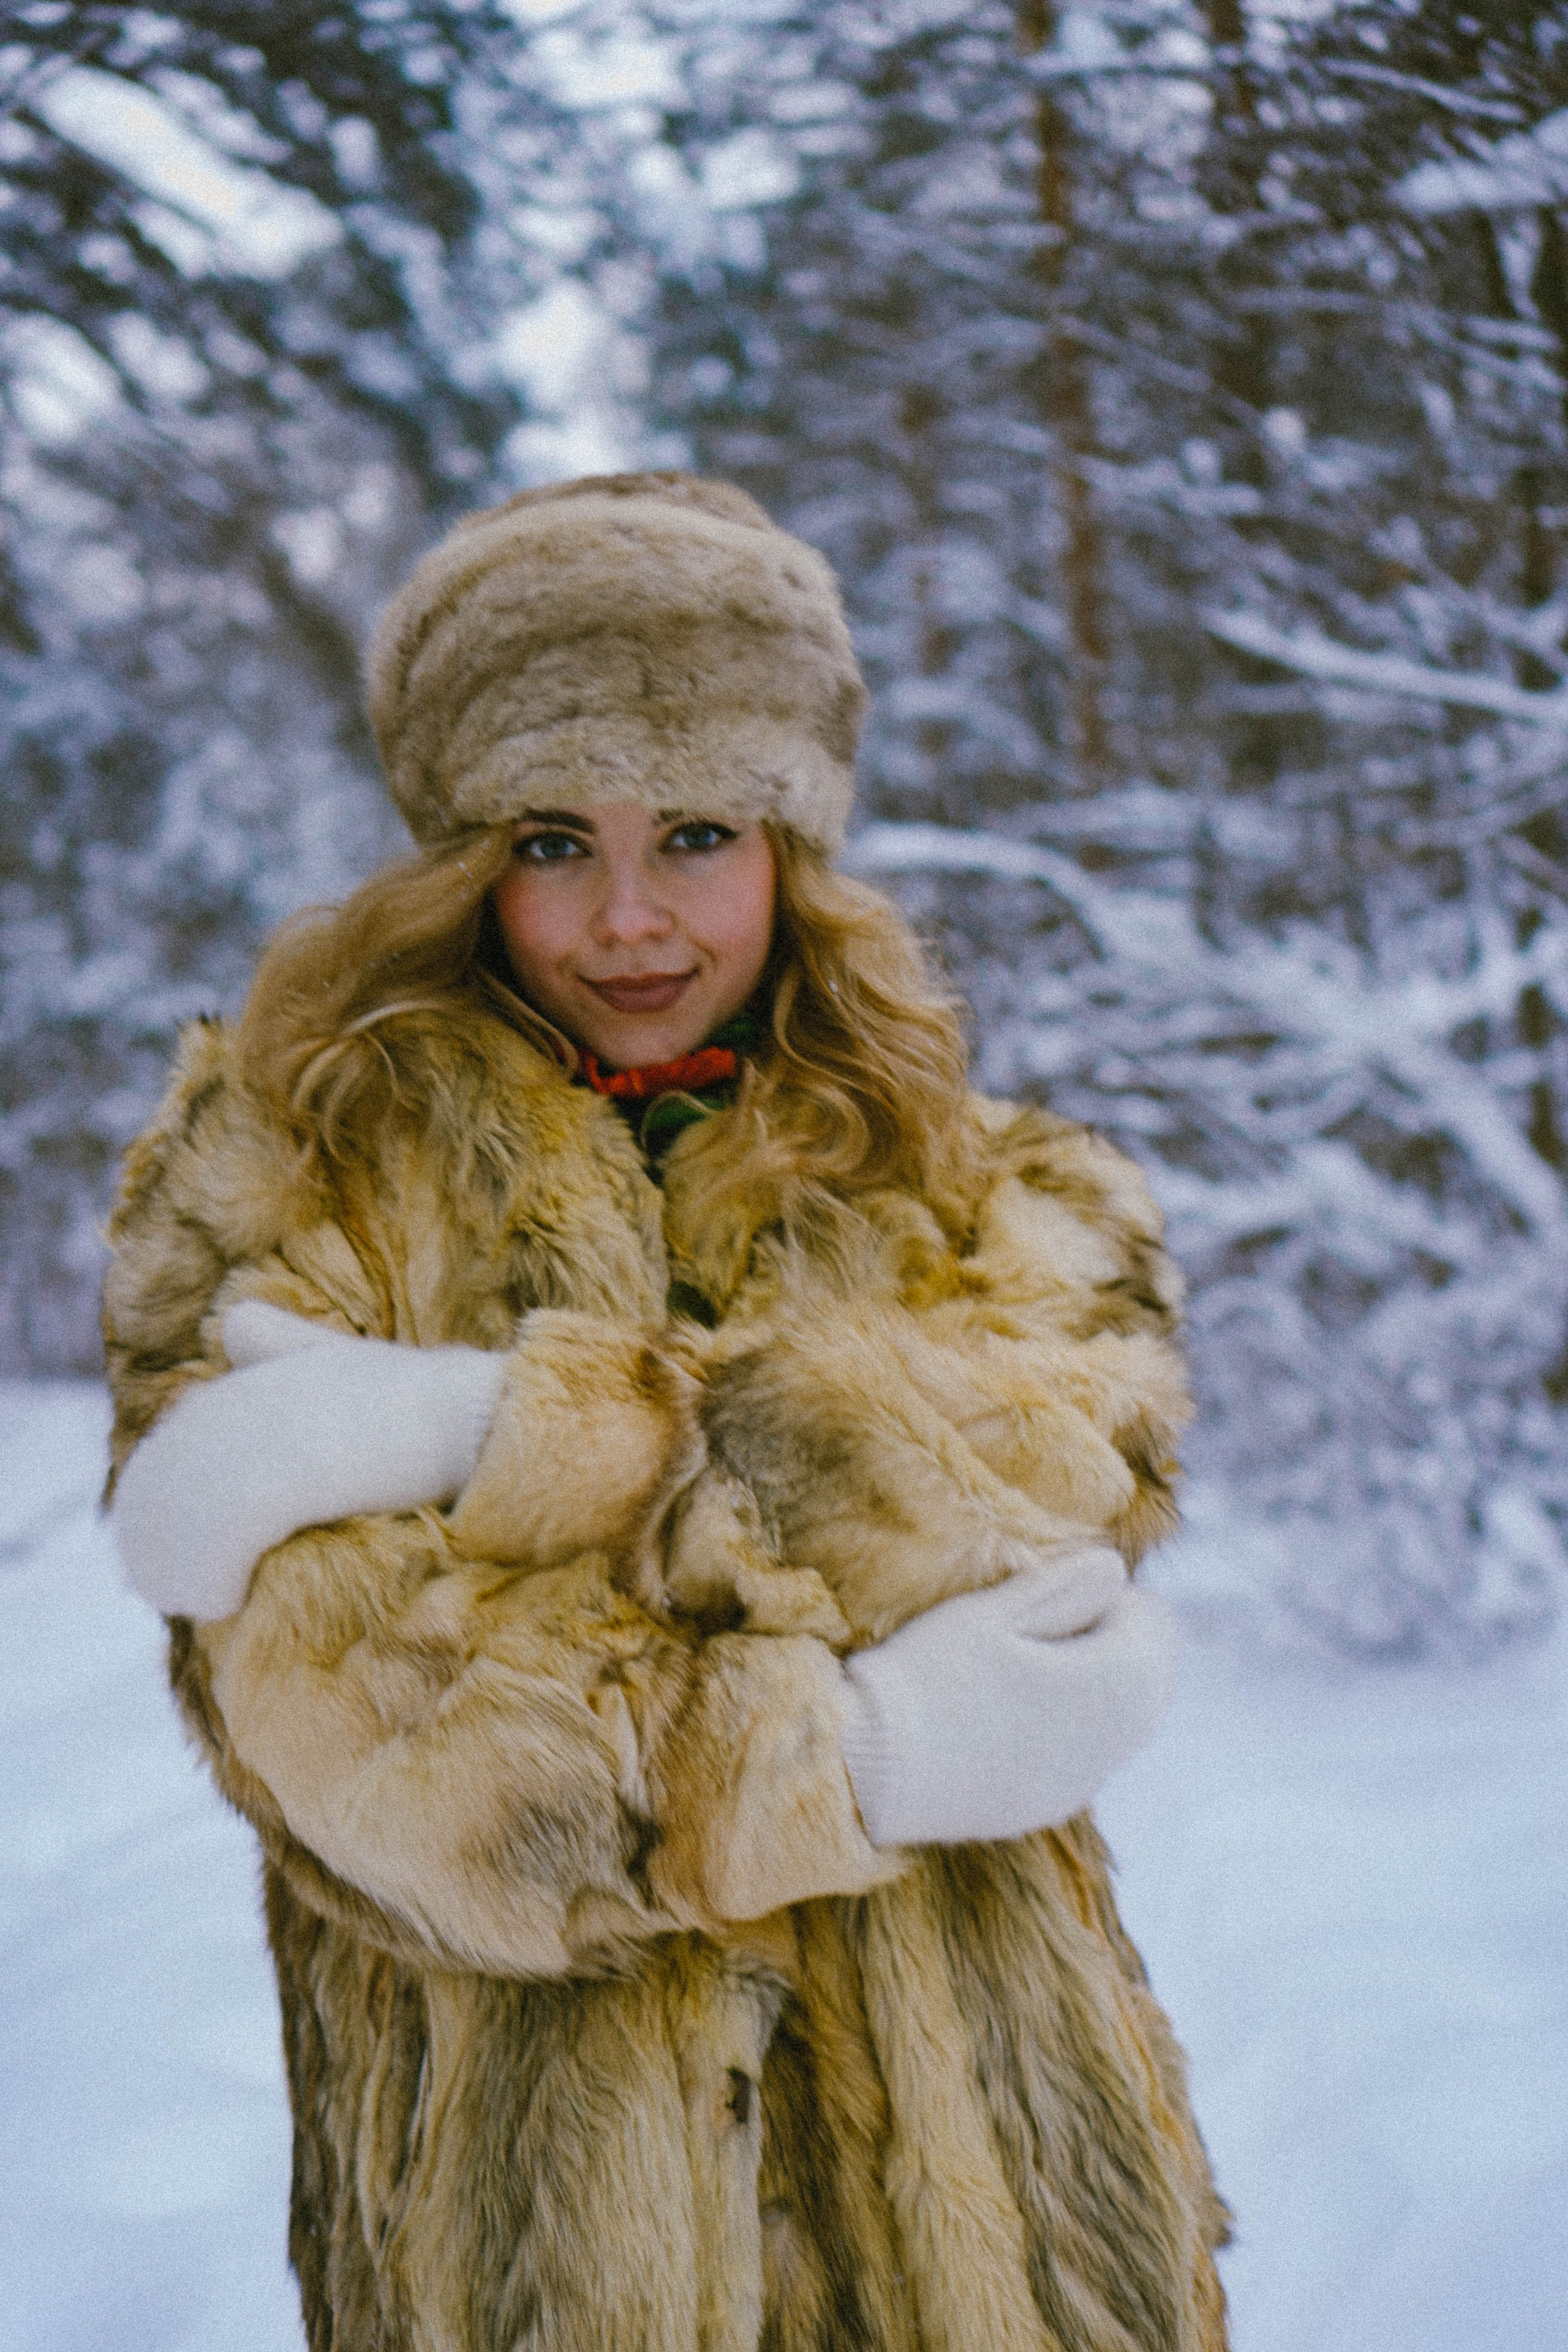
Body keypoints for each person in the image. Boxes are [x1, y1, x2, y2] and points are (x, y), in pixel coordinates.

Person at [104, 472, 1231, 2352]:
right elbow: (391, 1748)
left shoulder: (987, 1184)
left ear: (793, 843)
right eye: (553, 838)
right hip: (543, 2263)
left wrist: (482, 1430)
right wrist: (874, 1746)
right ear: (463, 853)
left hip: (1010, 2236)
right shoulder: (286, 1189)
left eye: (696, 831)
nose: (627, 917)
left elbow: (1047, 1484)